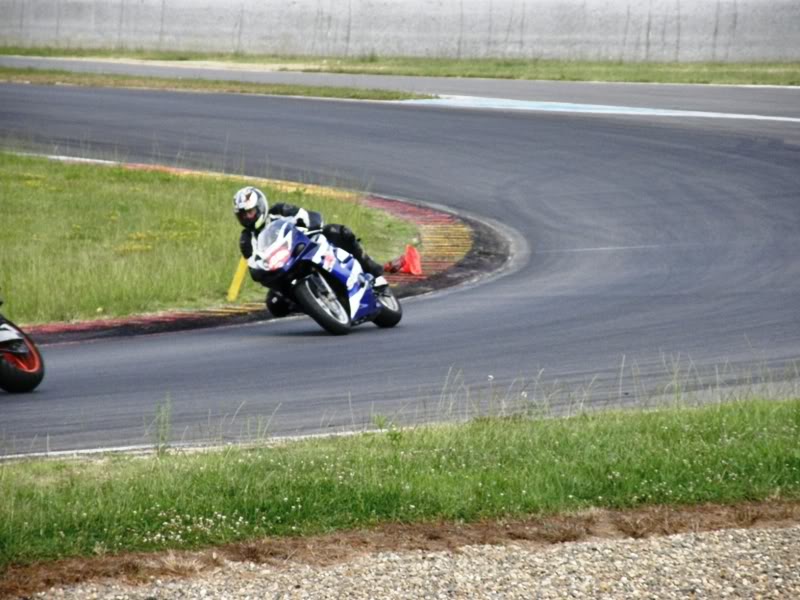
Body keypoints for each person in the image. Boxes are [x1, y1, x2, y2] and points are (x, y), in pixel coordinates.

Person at [232, 186, 385, 316]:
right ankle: (313, 306)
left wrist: (313, 226)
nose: (247, 218)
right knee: (274, 303)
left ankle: (371, 269)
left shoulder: (278, 211)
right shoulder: (246, 240)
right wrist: (261, 271)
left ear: (260, 206)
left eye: (250, 212)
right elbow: (253, 266)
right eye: (243, 215)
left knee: (337, 231)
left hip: (305, 246)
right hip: (282, 267)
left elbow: (307, 216)